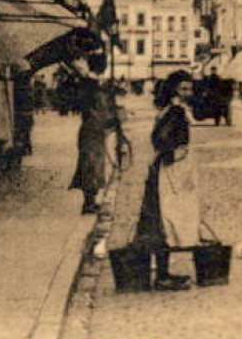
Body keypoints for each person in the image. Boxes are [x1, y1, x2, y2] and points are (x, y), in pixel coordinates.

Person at [135, 72, 201, 291]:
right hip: (168, 173)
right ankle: (161, 277)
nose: (188, 93)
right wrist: (173, 156)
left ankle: (163, 272)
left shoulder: (170, 110)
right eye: (183, 89)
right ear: (174, 89)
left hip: (166, 170)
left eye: (189, 88)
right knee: (165, 220)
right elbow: (160, 140)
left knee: (162, 220)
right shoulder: (175, 111)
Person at [68, 54, 129, 214]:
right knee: (92, 165)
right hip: (93, 129)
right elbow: (102, 110)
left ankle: (90, 201)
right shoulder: (94, 86)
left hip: (91, 129)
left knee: (92, 165)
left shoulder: (93, 84)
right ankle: (88, 203)